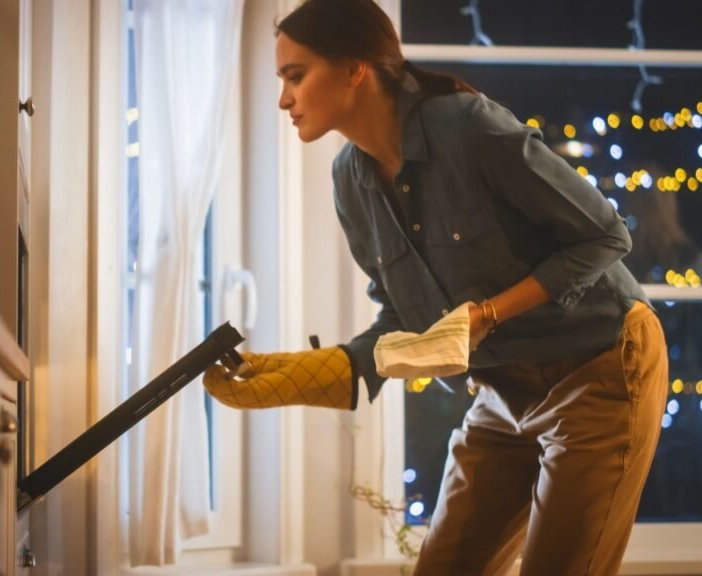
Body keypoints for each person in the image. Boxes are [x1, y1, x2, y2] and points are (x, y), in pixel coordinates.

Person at [202, 0, 669, 573]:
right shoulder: (350, 182)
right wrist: (286, 376)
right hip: (502, 391)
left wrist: (490, 314)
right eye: (282, 80)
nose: (284, 99)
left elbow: (604, 235)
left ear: (355, 67)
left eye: (296, 76)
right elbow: (403, 321)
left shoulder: (467, 125)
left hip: (599, 366)